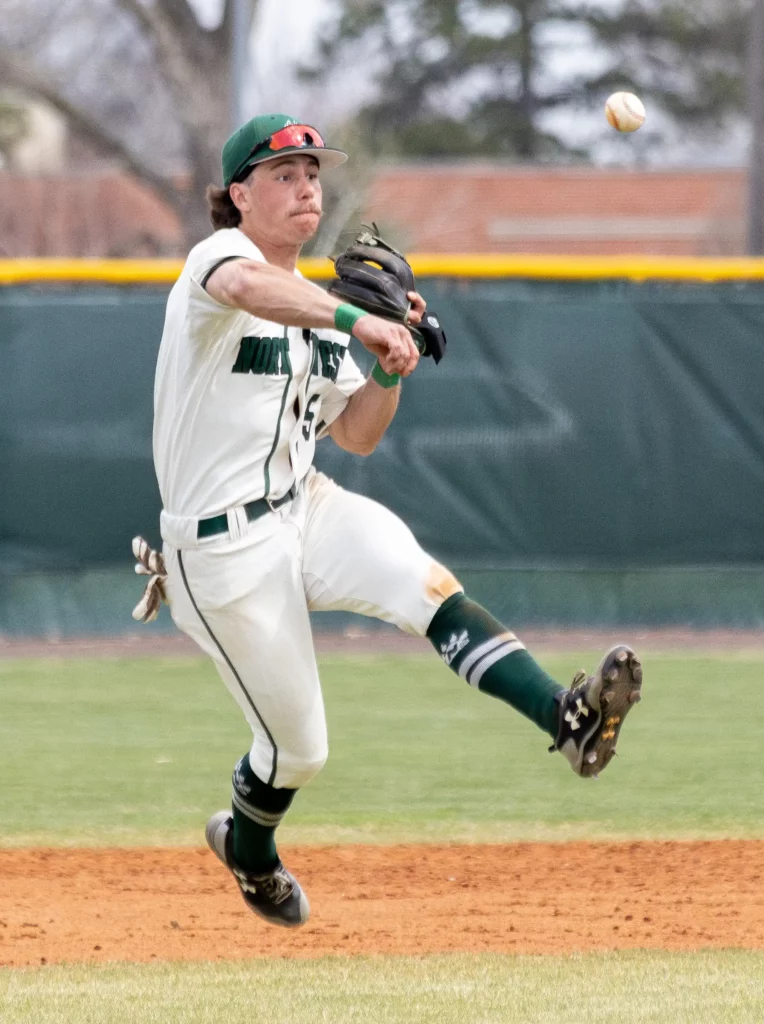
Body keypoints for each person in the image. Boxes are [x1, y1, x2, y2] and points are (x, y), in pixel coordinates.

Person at [139, 113, 643, 928]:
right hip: (219, 547)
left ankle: (566, 717)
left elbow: (359, 436)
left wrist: (390, 352)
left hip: (303, 504)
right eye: (284, 175)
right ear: (239, 195)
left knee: (421, 583)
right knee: (299, 752)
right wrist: (357, 320)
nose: (307, 186)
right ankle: (251, 850)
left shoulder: (326, 310)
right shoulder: (217, 262)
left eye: (312, 173)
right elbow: (248, 290)